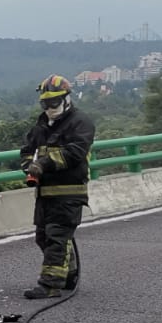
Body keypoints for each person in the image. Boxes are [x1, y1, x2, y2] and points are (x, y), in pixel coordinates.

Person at [19, 75, 95, 299]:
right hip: (45, 194)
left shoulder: (81, 122)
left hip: (69, 192)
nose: (49, 108)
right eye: (45, 104)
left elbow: (74, 153)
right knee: (43, 237)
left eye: (53, 103)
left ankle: (50, 284)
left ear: (65, 99)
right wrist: (28, 167)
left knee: (56, 238)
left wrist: (43, 164)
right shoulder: (42, 124)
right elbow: (26, 150)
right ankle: (69, 275)